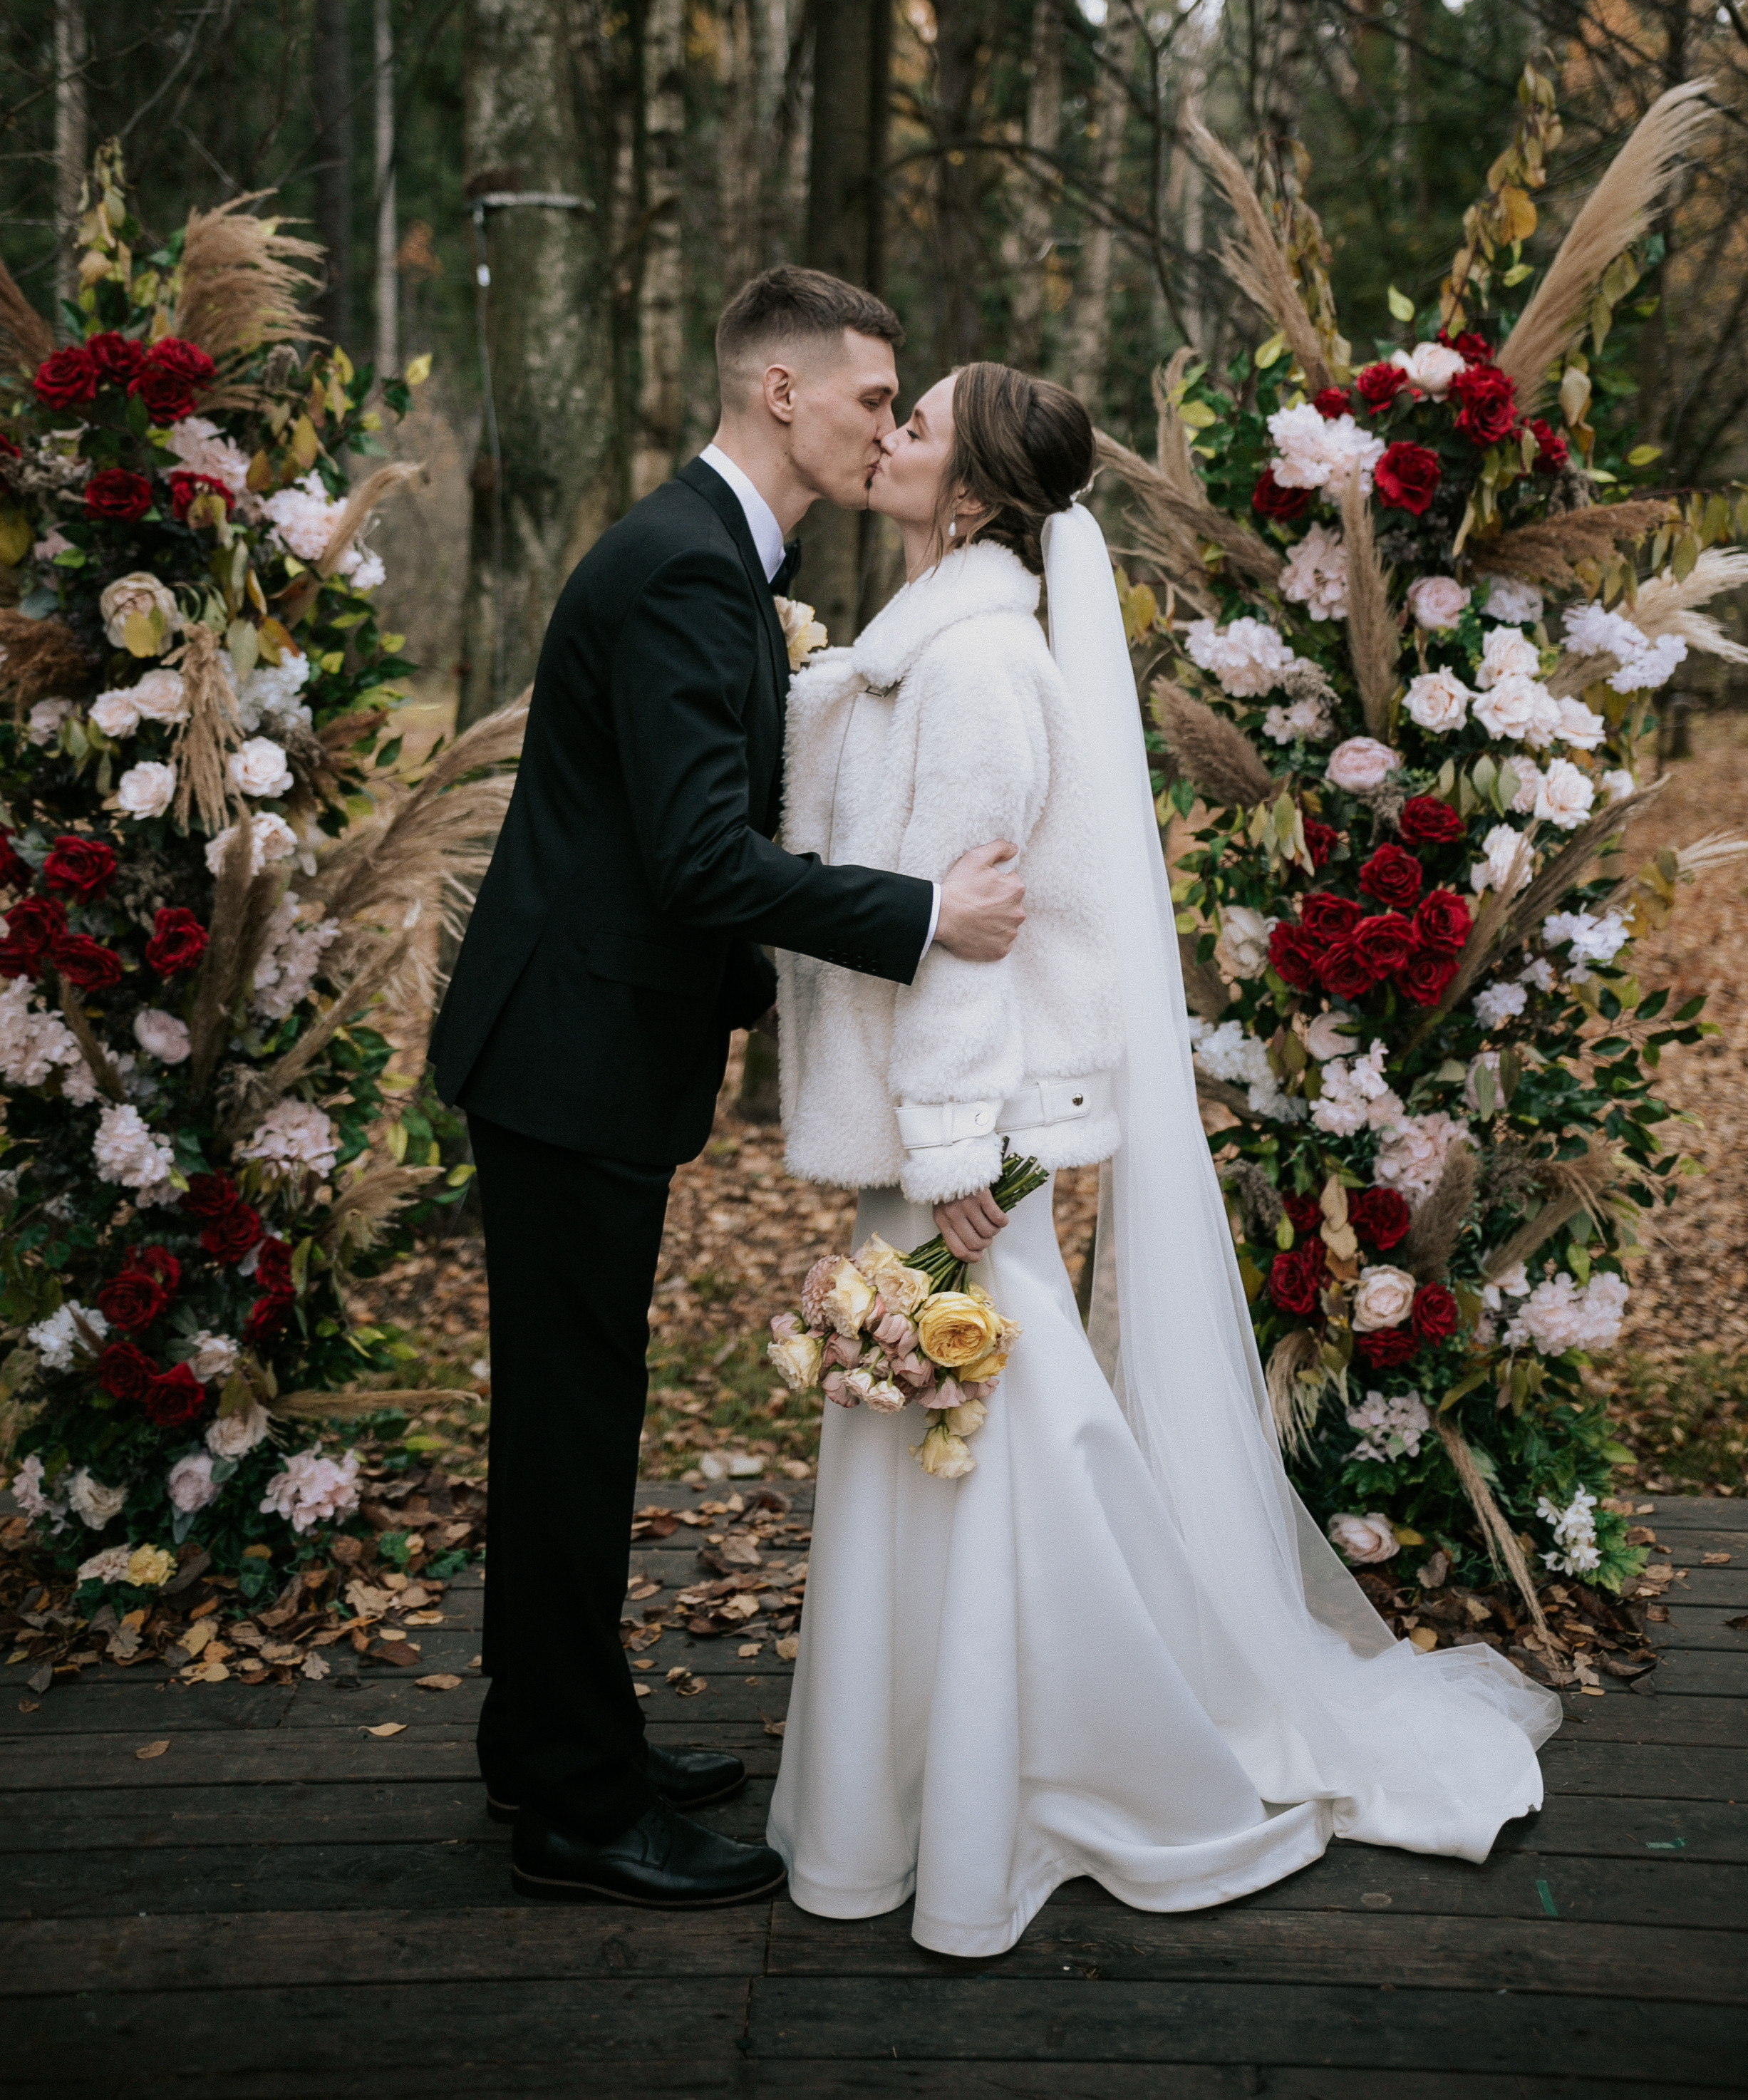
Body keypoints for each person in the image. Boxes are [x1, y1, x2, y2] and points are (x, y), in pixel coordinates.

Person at [767, 359, 1561, 1958]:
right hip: (939, 1131)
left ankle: (1060, 1782)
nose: (892, 436)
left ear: (977, 493)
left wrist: (948, 1143)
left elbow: (966, 941)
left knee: (985, 1449)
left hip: (960, 1133)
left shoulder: (982, 666)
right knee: (943, 1455)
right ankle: (922, 1788)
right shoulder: (919, 654)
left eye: (918, 424)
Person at [430, 269, 1028, 1910]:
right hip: (568, 1062)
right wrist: (921, 917)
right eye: (863, 398)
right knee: (569, 1426)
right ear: (778, 389)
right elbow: (700, 863)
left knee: (571, 1414)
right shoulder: (690, 572)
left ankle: (558, 1743)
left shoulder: (699, 559)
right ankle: (571, 1803)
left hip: (573, 1050)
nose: (880, 426)